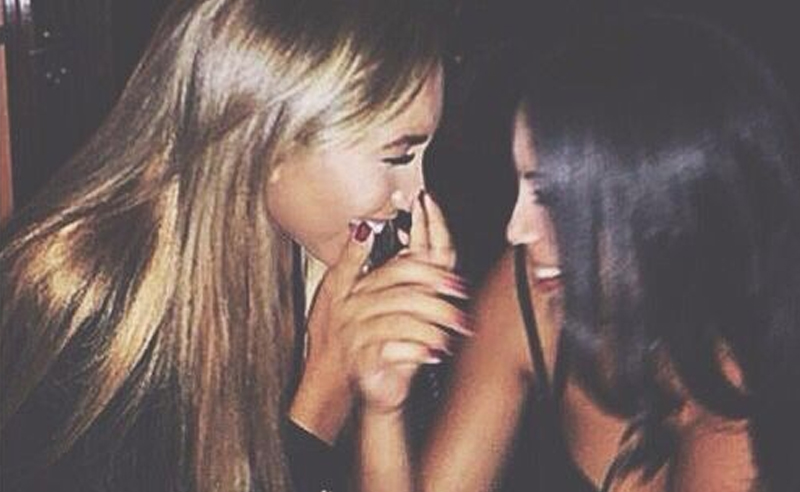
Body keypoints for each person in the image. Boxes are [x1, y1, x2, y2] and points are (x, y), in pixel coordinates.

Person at [0, 1, 466, 492]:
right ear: (267, 139)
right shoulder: (82, 301)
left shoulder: (313, 259)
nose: (415, 195)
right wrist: (320, 402)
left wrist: (381, 409)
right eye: (397, 157)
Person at [358, 16, 800, 492]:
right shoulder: (533, 294)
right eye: (520, 186)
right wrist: (383, 411)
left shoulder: (762, 421)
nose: (515, 230)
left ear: (662, 208)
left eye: (550, 200)